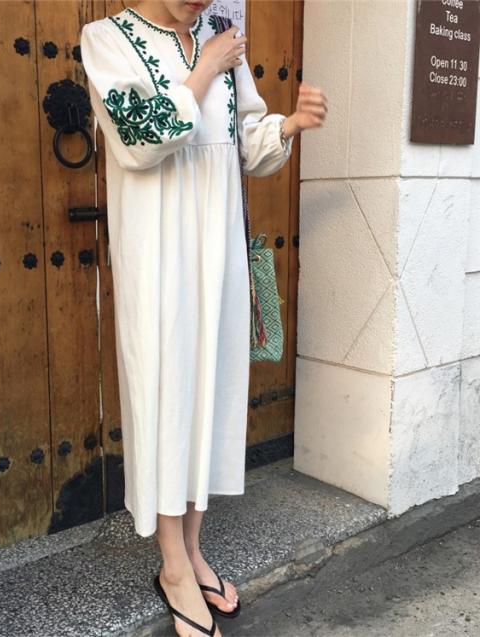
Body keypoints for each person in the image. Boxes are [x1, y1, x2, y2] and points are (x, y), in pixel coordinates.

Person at [80, 1, 327, 635]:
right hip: (159, 253)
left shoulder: (221, 39)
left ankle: (192, 550)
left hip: (218, 253)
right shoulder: (107, 39)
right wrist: (206, 68)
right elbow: (140, 139)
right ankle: (171, 567)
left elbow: (246, 144)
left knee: (209, 395)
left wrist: (288, 125)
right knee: (166, 394)